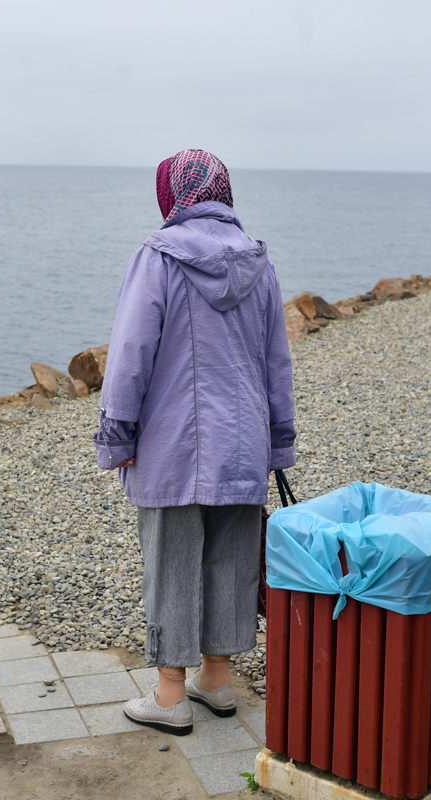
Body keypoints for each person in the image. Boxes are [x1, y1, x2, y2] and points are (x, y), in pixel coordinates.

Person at [94, 149, 297, 736]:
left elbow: (132, 354)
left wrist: (118, 433)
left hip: (174, 442)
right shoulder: (259, 262)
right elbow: (275, 362)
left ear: (173, 195)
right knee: (230, 557)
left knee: (172, 559)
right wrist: (277, 440)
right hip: (243, 441)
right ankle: (217, 679)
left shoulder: (159, 257)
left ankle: (169, 694)